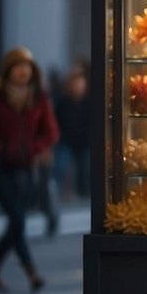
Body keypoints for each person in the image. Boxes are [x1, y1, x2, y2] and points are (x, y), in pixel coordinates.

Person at [0, 47, 59, 292]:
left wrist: (35, 147)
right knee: (17, 220)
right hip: (1, 168)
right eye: (18, 66)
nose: (23, 71)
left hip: (28, 169)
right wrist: (0, 148)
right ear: (8, 70)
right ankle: (32, 273)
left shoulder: (39, 98)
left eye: (27, 67)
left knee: (16, 223)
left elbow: (51, 132)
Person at [53, 67, 91, 200]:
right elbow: (56, 121)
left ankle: (84, 194)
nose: (78, 87)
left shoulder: (88, 103)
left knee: (85, 169)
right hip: (66, 141)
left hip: (84, 142)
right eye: (75, 84)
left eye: (81, 84)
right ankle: (54, 193)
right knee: (60, 166)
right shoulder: (63, 103)